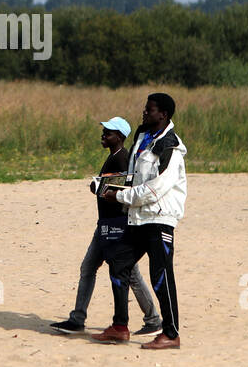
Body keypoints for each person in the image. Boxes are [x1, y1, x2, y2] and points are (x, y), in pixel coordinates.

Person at [50, 117, 163, 335]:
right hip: (105, 225)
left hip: (117, 227)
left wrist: (98, 188)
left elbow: (120, 191)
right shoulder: (115, 157)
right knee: (90, 268)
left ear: (120, 136)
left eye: (108, 132)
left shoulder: (122, 159)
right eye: (104, 131)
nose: (103, 136)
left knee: (127, 274)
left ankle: (153, 320)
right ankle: (78, 318)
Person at [93, 93, 187, 350]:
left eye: (150, 110)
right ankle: (120, 327)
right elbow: (134, 177)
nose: (144, 113)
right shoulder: (142, 139)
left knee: (161, 274)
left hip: (159, 219)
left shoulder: (171, 147)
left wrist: (120, 196)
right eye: (145, 109)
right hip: (138, 217)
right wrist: (107, 186)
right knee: (119, 264)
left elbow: (155, 189)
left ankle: (171, 333)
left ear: (163, 115)